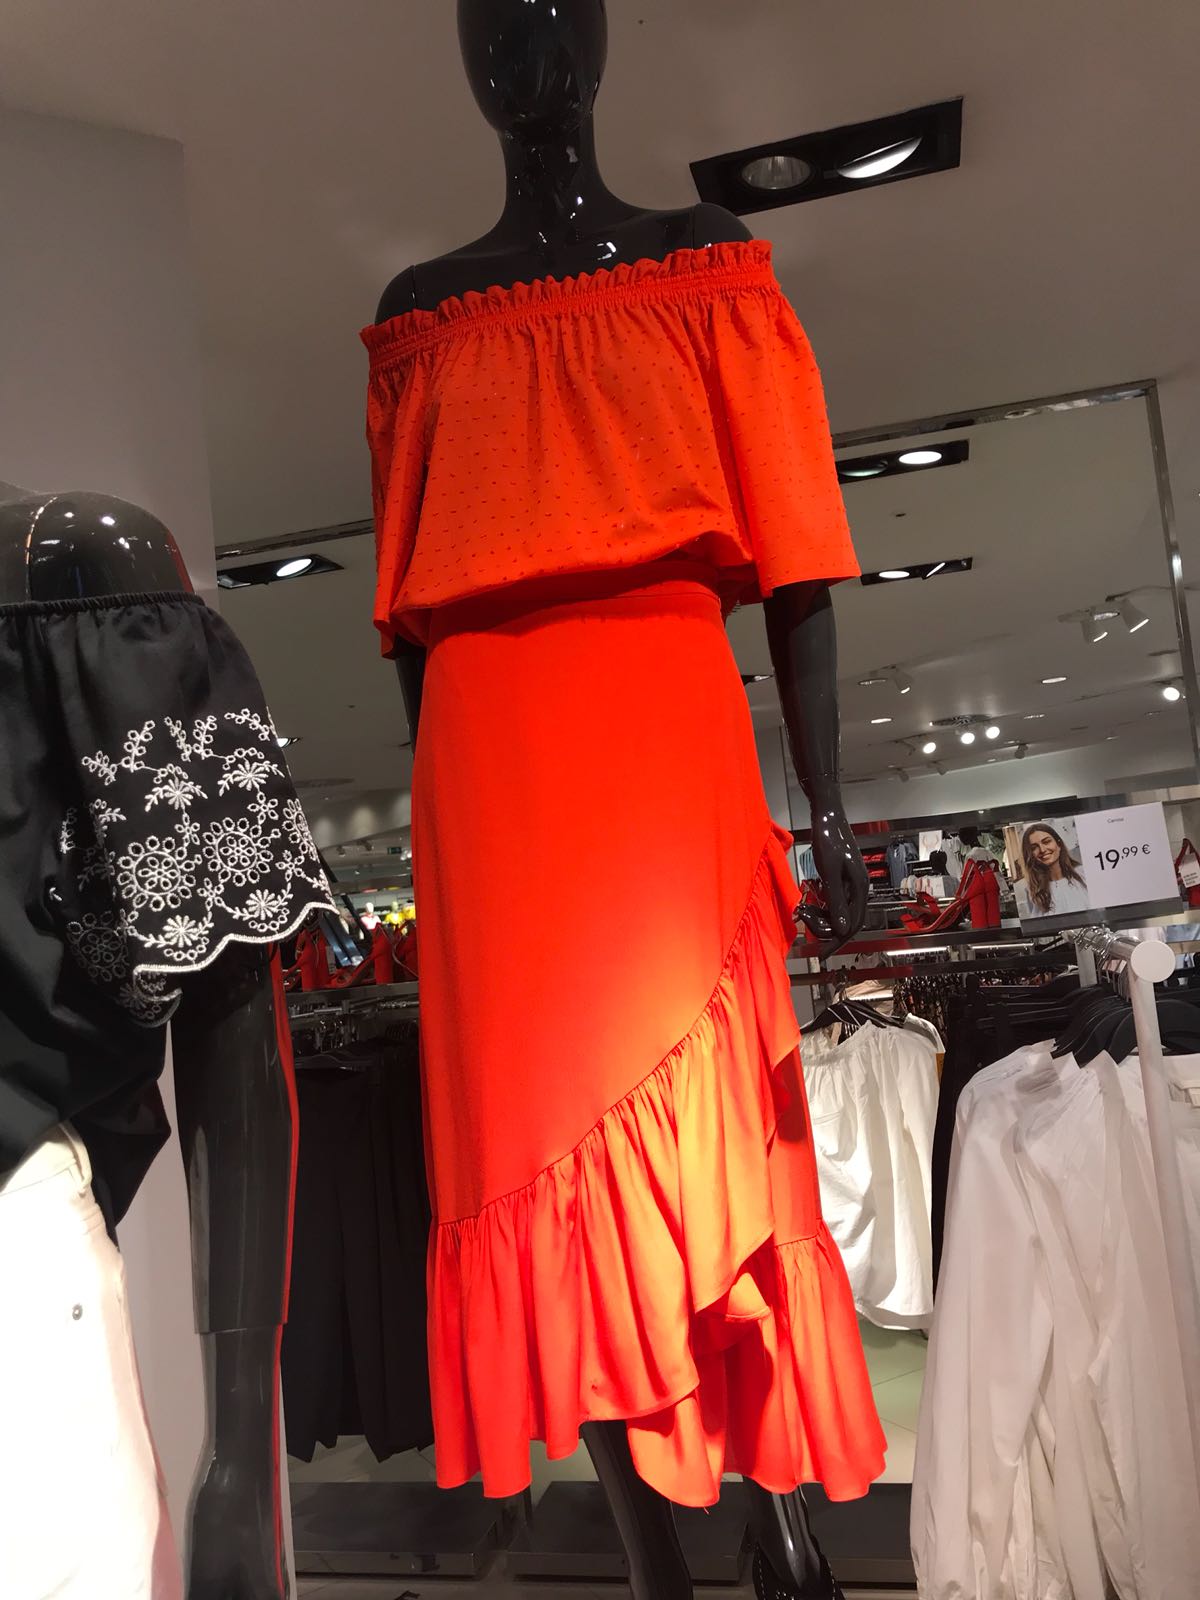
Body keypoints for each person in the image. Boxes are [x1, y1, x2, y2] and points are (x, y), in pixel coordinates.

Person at [1017, 823, 1090, 917]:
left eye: (1046, 842)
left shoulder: (1084, 874)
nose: (1042, 850)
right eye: (1034, 848)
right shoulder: (1033, 891)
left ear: (1059, 844)